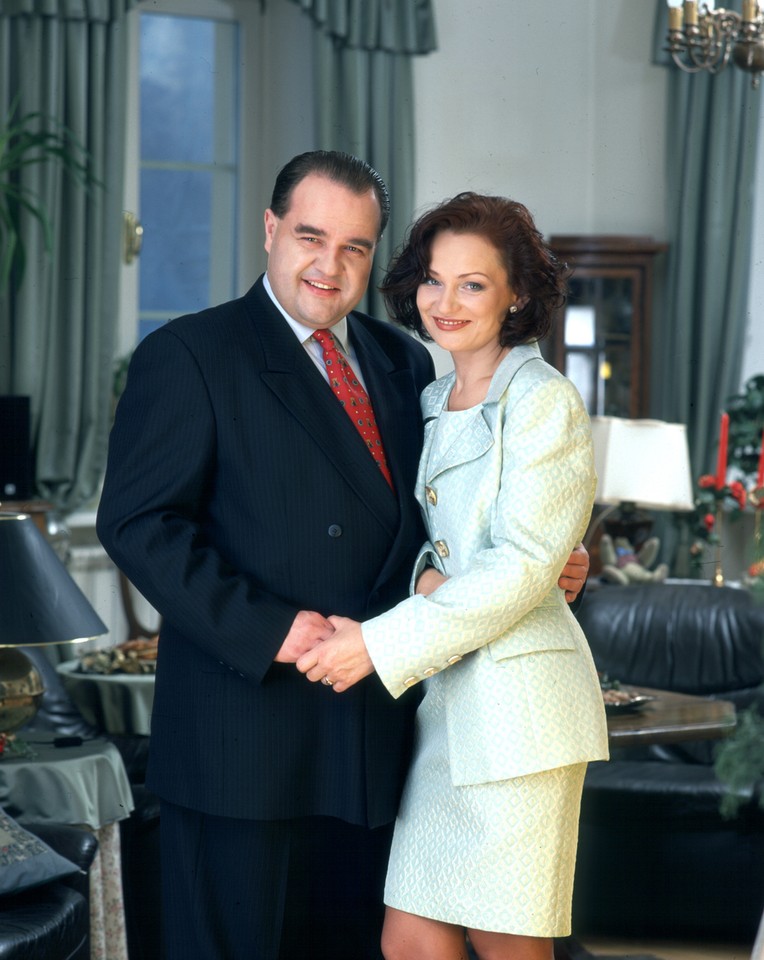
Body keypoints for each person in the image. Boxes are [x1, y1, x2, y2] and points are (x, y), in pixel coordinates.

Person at [96, 153, 589, 960]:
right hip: (244, 744)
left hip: (374, 743)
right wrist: (269, 629)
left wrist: (547, 559)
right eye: (310, 236)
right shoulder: (191, 354)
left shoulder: (405, 364)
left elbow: (434, 520)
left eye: (355, 246)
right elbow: (139, 523)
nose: (330, 265)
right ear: (270, 230)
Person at [297, 192, 610, 960]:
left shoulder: (543, 400)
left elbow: (523, 562)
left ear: (518, 295)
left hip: (521, 722)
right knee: (409, 939)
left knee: (506, 944)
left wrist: (379, 642)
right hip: (445, 710)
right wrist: (426, 577)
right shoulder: (431, 399)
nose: (446, 302)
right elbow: (425, 536)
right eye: (434, 280)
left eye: (473, 284)